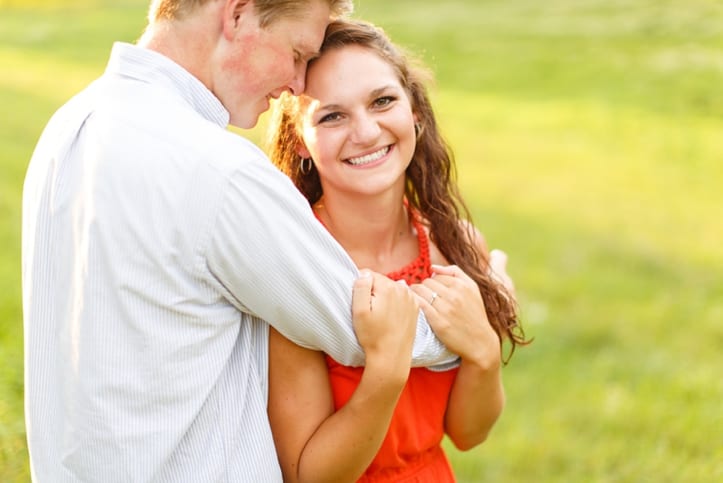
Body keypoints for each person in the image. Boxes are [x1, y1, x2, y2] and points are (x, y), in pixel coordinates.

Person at [20, 1, 462, 481]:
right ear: (237, 14)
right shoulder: (216, 168)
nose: (297, 82)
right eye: (296, 52)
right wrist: (476, 316)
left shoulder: (70, 125)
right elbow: (362, 325)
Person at [265, 18, 528, 482]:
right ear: (300, 143)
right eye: (332, 115)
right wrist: (385, 372)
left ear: (415, 114)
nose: (366, 132)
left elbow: (468, 433)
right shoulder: (294, 267)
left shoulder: (454, 245)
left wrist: (484, 351)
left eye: (382, 101)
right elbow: (309, 474)